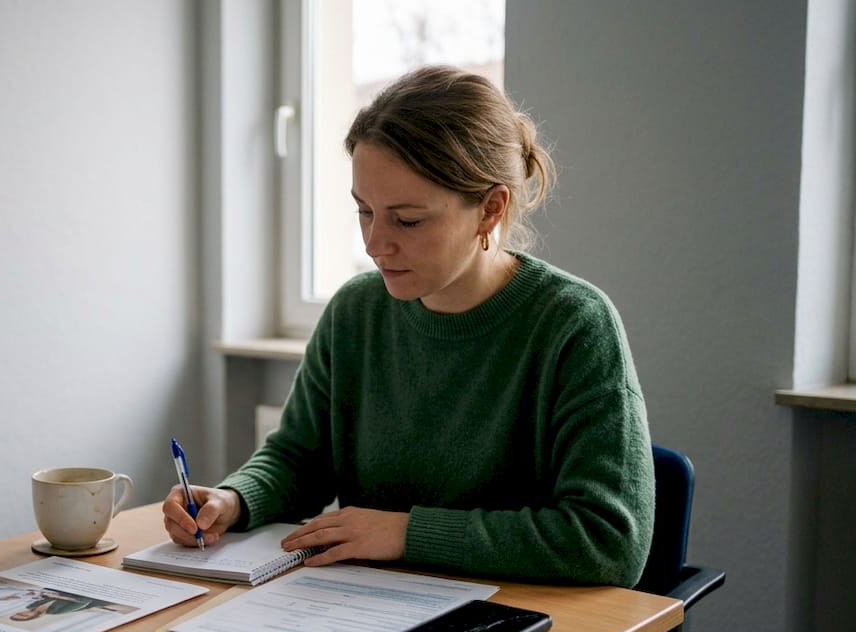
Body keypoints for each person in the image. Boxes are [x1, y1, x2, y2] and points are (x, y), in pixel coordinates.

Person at [163, 65, 654, 588]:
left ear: (489, 209)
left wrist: (406, 534)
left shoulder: (574, 325)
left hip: (515, 623)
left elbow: (608, 541)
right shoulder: (356, 310)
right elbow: (298, 460)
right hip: (360, 611)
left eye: (408, 220)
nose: (375, 244)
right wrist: (235, 499)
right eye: (364, 211)